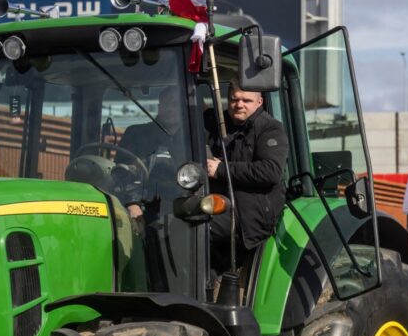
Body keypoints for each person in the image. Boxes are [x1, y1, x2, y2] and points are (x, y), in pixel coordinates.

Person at [206, 81, 288, 276]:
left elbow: (271, 171)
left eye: (246, 100)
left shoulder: (270, 129)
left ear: (259, 102)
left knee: (194, 229)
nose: (239, 104)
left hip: (250, 211)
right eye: (234, 99)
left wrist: (222, 170)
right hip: (217, 202)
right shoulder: (215, 124)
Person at [119, 86, 187, 219]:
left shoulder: (194, 138)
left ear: (183, 108)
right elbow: (121, 173)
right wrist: (131, 202)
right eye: (165, 104)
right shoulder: (136, 135)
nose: (169, 109)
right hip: (142, 207)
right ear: (159, 106)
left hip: (182, 208)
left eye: (174, 104)